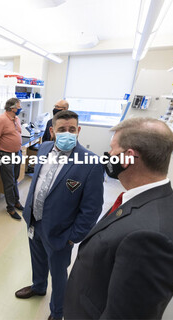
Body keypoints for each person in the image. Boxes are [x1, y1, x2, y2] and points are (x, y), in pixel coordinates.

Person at [63, 117, 173, 320]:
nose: (108, 155)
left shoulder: (150, 238)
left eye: (112, 149)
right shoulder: (146, 199)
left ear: (128, 157)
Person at [15, 110, 104, 320]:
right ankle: (38, 287)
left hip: (61, 232)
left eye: (71, 129)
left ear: (78, 131)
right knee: (37, 259)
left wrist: (73, 236)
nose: (67, 133)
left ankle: (58, 313)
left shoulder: (90, 163)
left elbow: (92, 208)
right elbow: (37, 182)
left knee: (58, 274)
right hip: (35, 221)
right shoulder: (44, 148)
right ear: (52, 131)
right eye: (61, 129)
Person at [0, 98, 25, 220]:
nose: (20, 108)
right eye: (19, 106)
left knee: (14, 179)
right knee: (8, 182)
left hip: (17, 153)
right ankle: (10, 208)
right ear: (12, 108)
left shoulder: (17, 118)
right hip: (5, 155)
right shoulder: (1, 120)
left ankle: (16, 201)